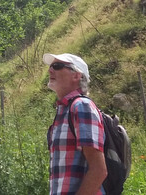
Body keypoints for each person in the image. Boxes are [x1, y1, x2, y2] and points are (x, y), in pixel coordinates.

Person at [45, 52, 107, 195]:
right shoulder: (65, 111)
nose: (50, 70)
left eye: (58, 66)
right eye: (51, 66)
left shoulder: (81, 107)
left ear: (76, 75)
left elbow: (98, 170)